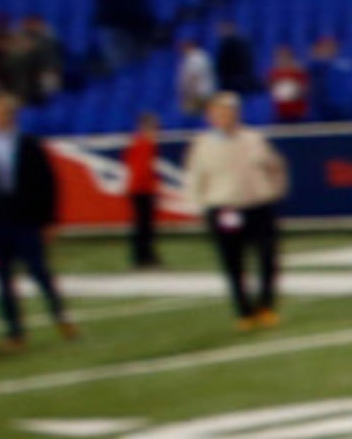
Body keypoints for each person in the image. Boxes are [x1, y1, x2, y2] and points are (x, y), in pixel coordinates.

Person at [0, 91, 75, 353]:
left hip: (27, 221)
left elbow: (48, 184)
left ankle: (60, 316)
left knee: (39, 272)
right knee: (2, 280)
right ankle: (14, 333)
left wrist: (50, 220)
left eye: (0, 114)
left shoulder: (30, 145)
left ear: (11, 116)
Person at [185, 91, 288, 329]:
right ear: (211, 116)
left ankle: (266, 306)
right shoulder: (203, 144)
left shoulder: (253, 139)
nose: (224, 116)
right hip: (224, 209)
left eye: (229, 111)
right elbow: (195, 178)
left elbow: (276, 166)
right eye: (219, 112)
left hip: (258, 206)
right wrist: (200, 206)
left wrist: (274, 191)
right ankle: (243, 311)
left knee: (267, 258)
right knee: (233, 262)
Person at [122, 110, 163, 268]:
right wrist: (151, 187)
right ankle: (144, 257)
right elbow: (142, 170)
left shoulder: (138, 143)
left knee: (143, 226)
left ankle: (144, 256)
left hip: (139, 189)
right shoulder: (143, 144)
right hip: (142, 190)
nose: (156, 131)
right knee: (144, 226)